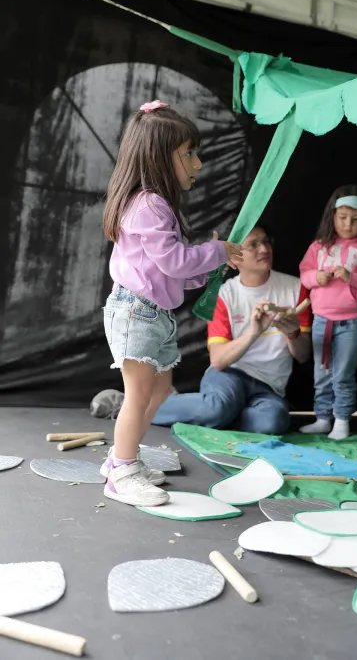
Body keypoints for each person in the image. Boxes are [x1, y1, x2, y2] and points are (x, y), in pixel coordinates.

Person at [101, 100, 243, 507]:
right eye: (189, 154)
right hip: (136, 313)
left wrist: (211, 269)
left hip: (154, 314)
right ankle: (122, 472)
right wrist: (215, 252)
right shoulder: (147, 205)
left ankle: (120, 461)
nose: (197, 164)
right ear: (159, 157)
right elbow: (176, 260)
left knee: (160, 391)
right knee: (139, 394)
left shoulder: (156, 206)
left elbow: (173, 269)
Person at [153, 225, 312, 434]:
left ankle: (219, 416)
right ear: (235, 259)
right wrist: (254, 332)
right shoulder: (224, 295)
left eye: (266, 241)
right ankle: (137, 406)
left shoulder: (295, 287)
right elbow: (218, 361)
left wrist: (293, 333)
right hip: (229, 375)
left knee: (273, 422)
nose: (264, 249)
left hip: (269, 386)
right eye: (253, 245)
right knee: (217, 406)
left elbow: (303, 356)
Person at [299, 184, 357, 440]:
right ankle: (322, 417)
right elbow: (304, 275)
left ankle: (342, 420)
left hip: (352, 322)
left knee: (343, 372)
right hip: (321, 320)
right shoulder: (319, 246)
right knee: (321, 372)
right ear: (333, 216)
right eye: (342, 218)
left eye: (356, 219)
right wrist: (317, 277)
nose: (348, 224)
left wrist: (352, 277)